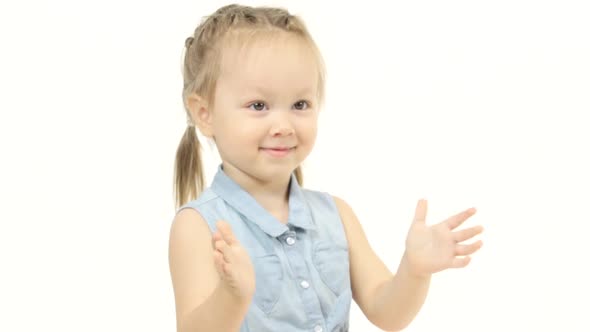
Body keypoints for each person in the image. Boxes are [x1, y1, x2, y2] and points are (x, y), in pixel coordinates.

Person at [168, 4, 484, 332]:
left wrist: (415, 270)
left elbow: (388, 312)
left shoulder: (336, 215)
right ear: (204, 113)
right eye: (258, 106)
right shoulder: (198, 226)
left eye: (300, 104)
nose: (284, 124)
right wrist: (231, 296)